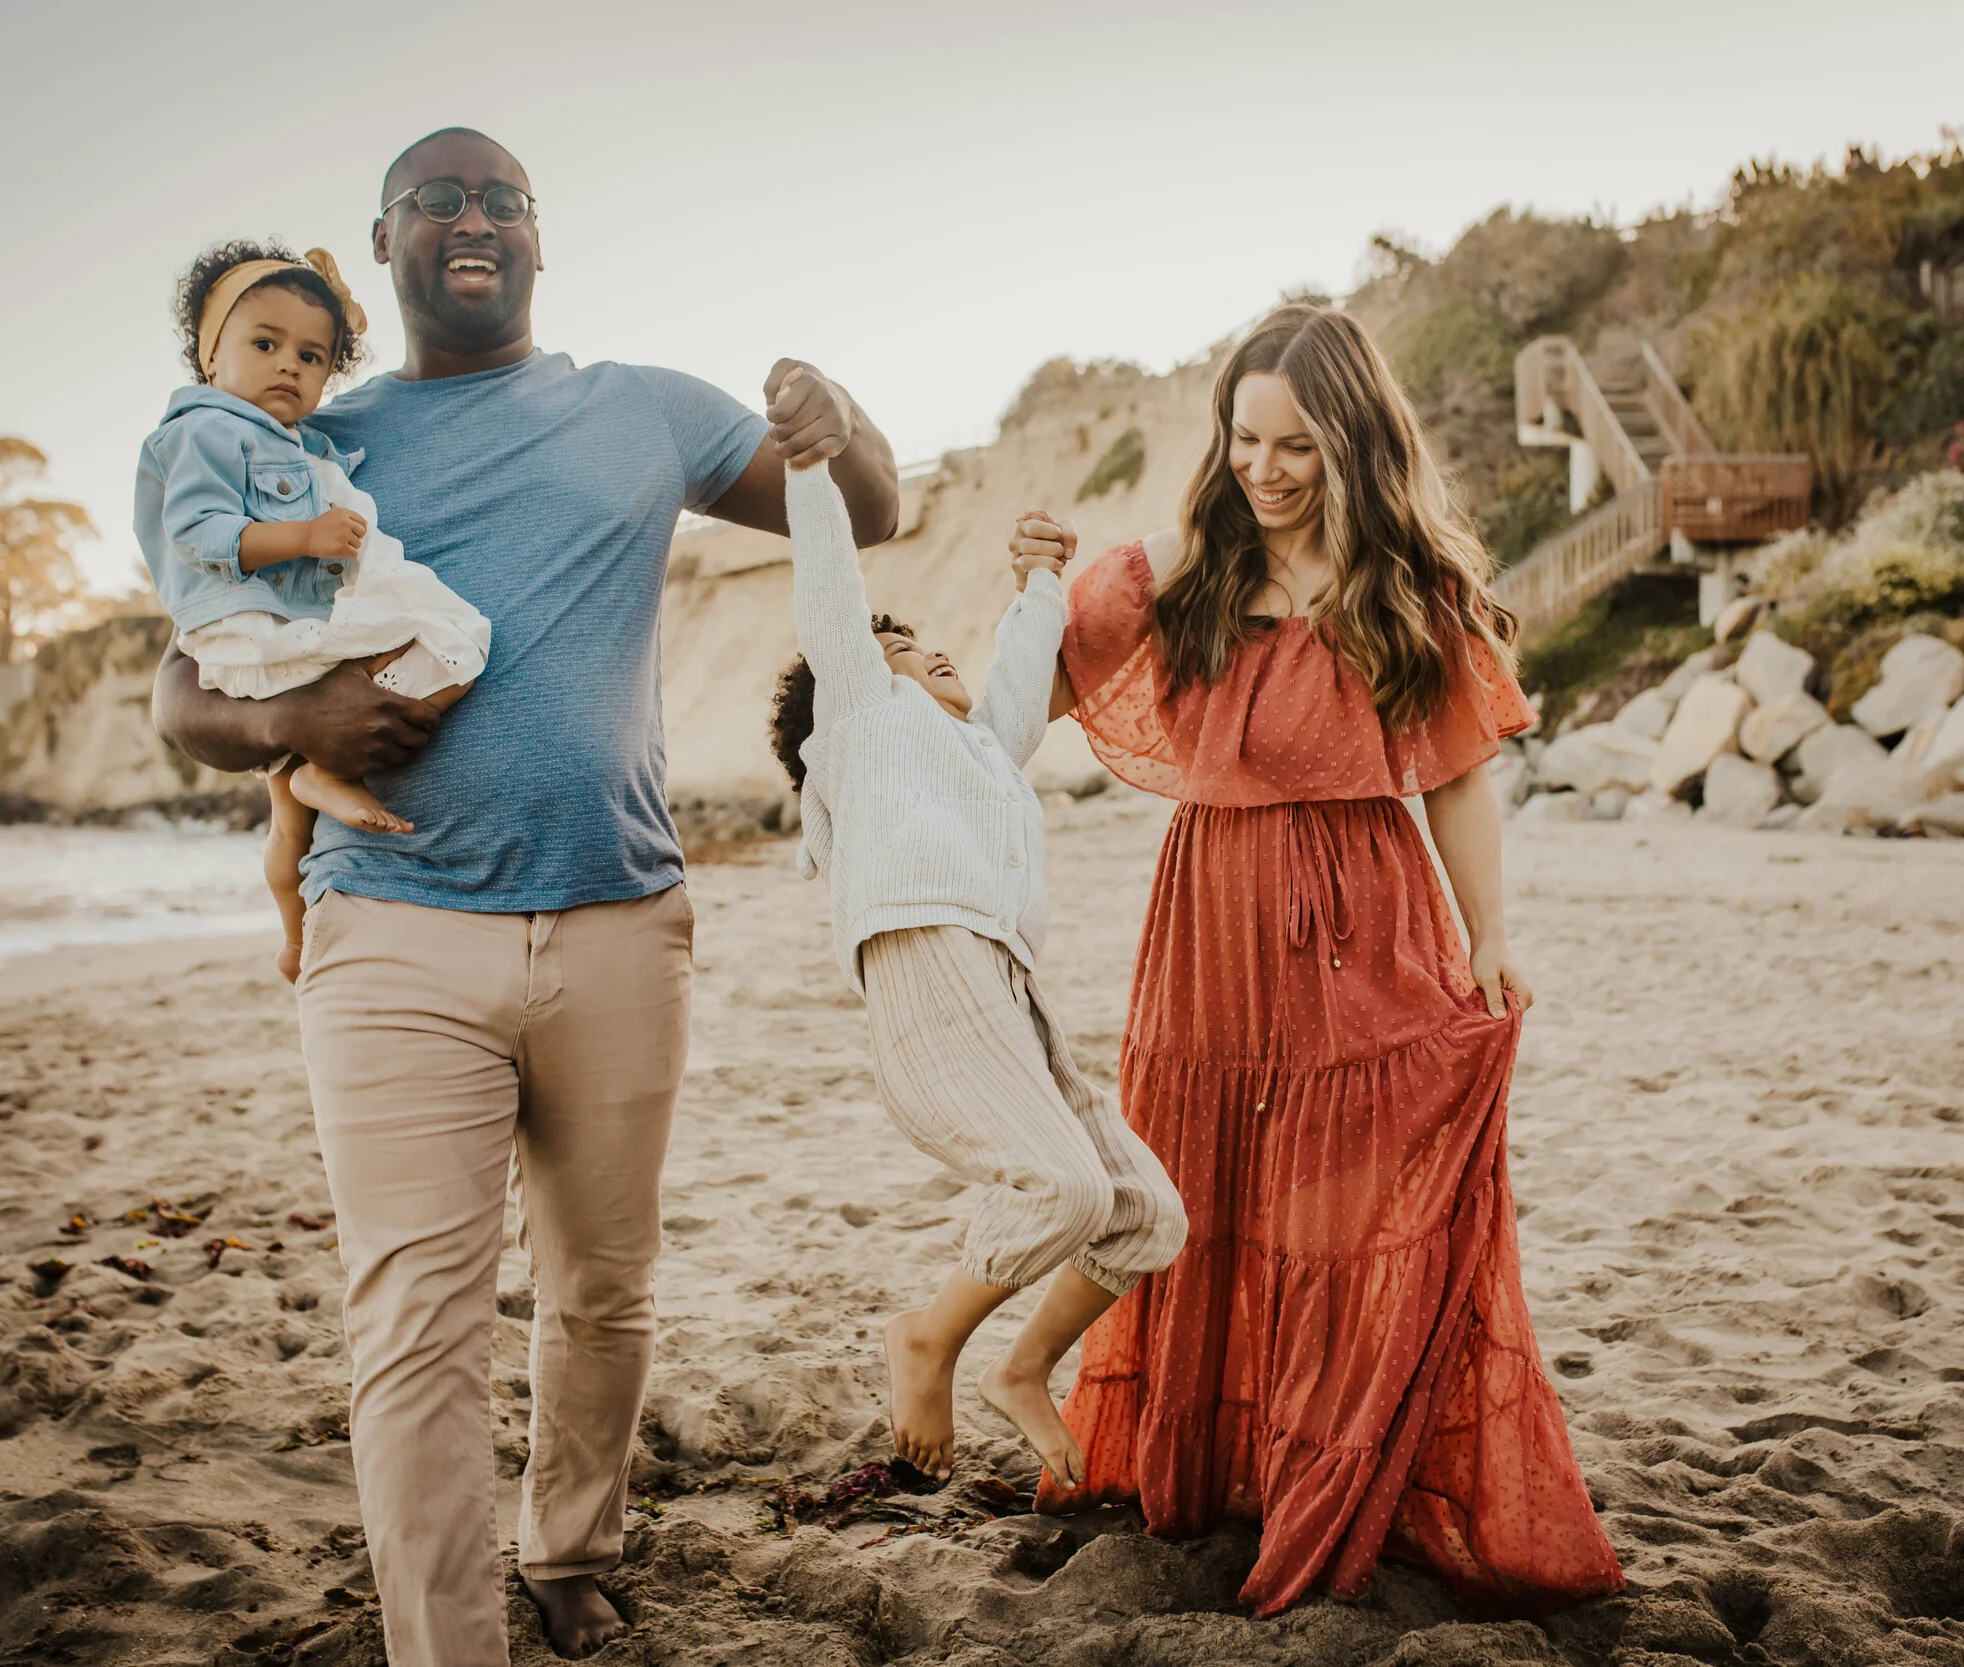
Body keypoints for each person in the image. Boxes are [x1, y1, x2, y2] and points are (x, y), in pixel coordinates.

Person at [152, 129, 899, 1665]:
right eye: (436, 198)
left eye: (502, 198)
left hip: (624, 919)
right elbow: (181, 683)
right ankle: (450, 1644)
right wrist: (291, 727)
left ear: (542, 243)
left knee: (601, 1288)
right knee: (415, 1322)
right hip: (392, 931)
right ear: (384, 245)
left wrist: (844, 418)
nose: (471, 217)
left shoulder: (646, 409)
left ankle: (571, 1544)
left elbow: (865, 511)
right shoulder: (314, 437)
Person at [1009, 305, 1624, 1619]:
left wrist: (1489, 937)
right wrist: (989, 626)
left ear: (1352, 443)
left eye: (1298, 445)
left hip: (1368, 920)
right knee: (1199, 1191)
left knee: (1344, 1218)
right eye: (1246, 437)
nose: (1268, 468)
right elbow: (1033, 692)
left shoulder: (1409, 590)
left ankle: (1331, 1476)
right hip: (1209, 925)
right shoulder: (1180, 578)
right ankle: (1217, 1469)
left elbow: (1456, 775)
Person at [767, 460, 1186, 1490]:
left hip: (1002, 982)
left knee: (1143, 1214)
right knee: (1062, 1186)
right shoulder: (863, 723)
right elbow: (830, 592)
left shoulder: (976, 749)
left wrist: (1039, 577)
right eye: (896, 648)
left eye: (915, 639)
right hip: (924, 955)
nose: (923, 649)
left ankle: (1023, 1364)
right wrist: (813, 465)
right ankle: (925, 1338)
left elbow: (1016, 675)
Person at [135, 241, 492, 983]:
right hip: (257, 629)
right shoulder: (206, 430)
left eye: (313, 355)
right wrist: (305, 534)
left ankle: (296, 942)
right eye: (264, 344)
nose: (289, 365)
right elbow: (200, 533)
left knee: (287, 822)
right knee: (460, 638)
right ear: (210, 357)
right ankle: (323, 768)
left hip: (274, 631)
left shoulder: (288, 441)